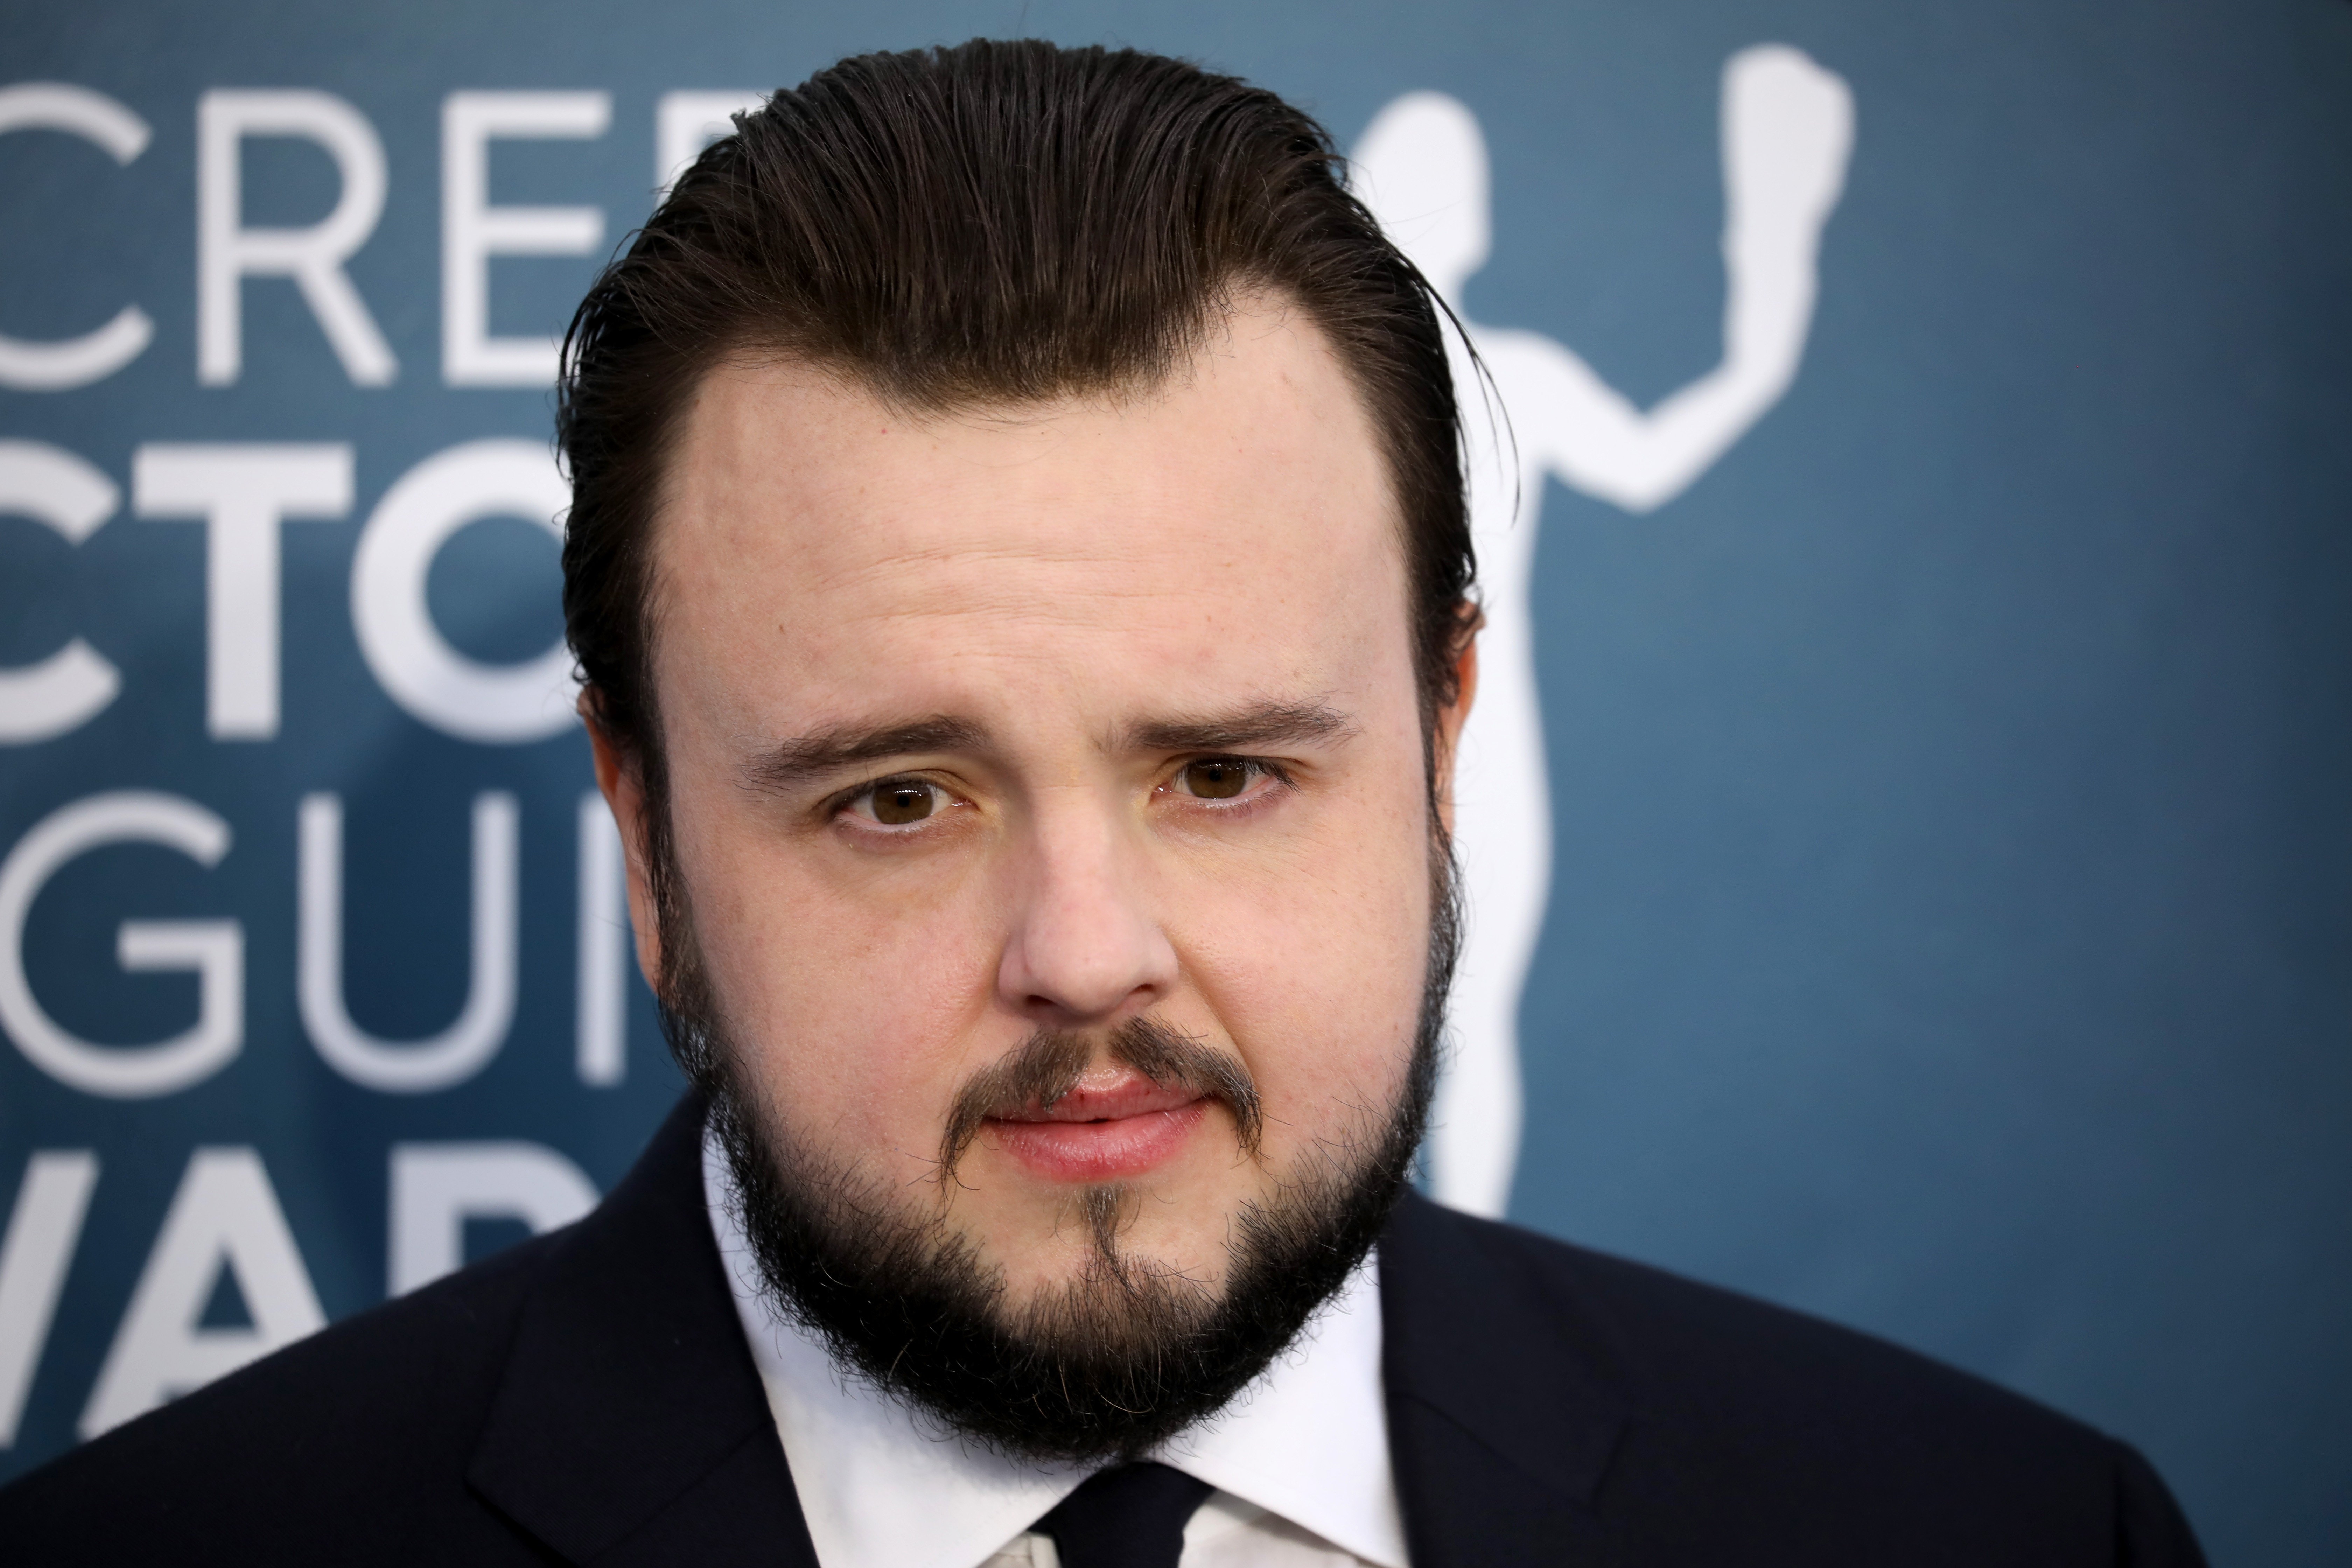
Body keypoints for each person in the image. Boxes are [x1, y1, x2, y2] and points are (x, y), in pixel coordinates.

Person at [0, 39, 2205, 1568]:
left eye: (1226, 772)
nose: (1084, 951)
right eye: (897, 801)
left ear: (1443, 746)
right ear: (646, 838)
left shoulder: (1993, 1533)